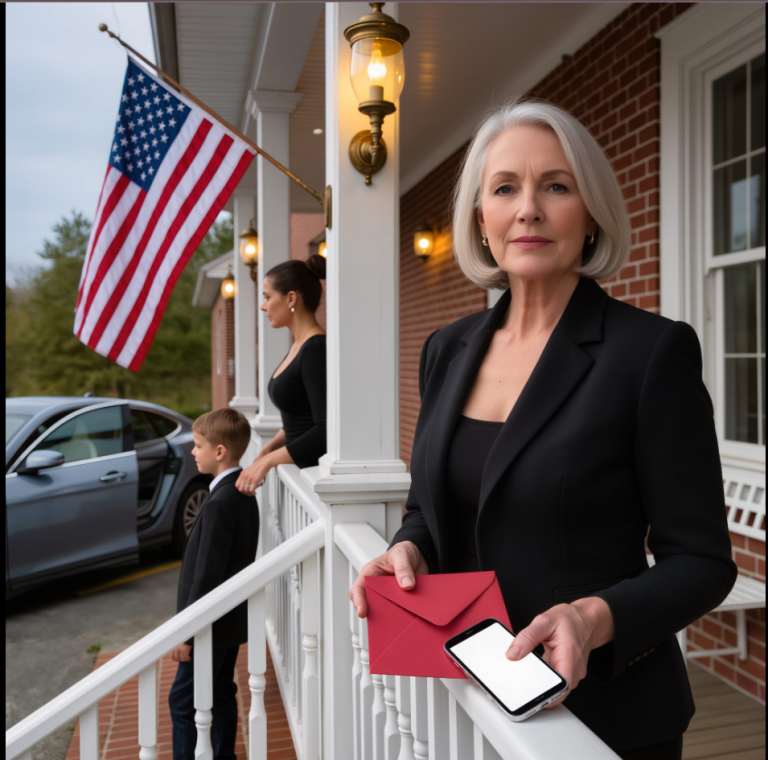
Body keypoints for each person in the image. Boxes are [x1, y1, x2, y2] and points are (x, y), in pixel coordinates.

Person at [349, 99, 737, 760]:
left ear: (589, 215)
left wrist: (592, 619)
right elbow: (429, 505)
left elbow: (701, 562)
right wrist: (410, 548)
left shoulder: (648, 354)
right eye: (505, 188)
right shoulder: (446, 348)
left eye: (555, 186)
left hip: (600, 719)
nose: (527, 208)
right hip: (468, 697)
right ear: (482, 219)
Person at [168, 408, 258, 760]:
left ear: (219, 452)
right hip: (225, 622)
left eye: (198, 445)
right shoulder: (237, 494)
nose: (193, 451)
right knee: (219, 691)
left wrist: (186, 633)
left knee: (183, 700)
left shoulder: (223, 501)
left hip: (210, 626)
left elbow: (207, 575)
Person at [236, 254, 327, 494]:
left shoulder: (315, 349)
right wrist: (271, 447)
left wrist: (269, 461)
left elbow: (324, 430)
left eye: (267, 297)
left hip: (312, 479)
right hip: (299, 470)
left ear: (291, 298)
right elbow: (300, 417)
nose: (263, 305)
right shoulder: (299, 346)